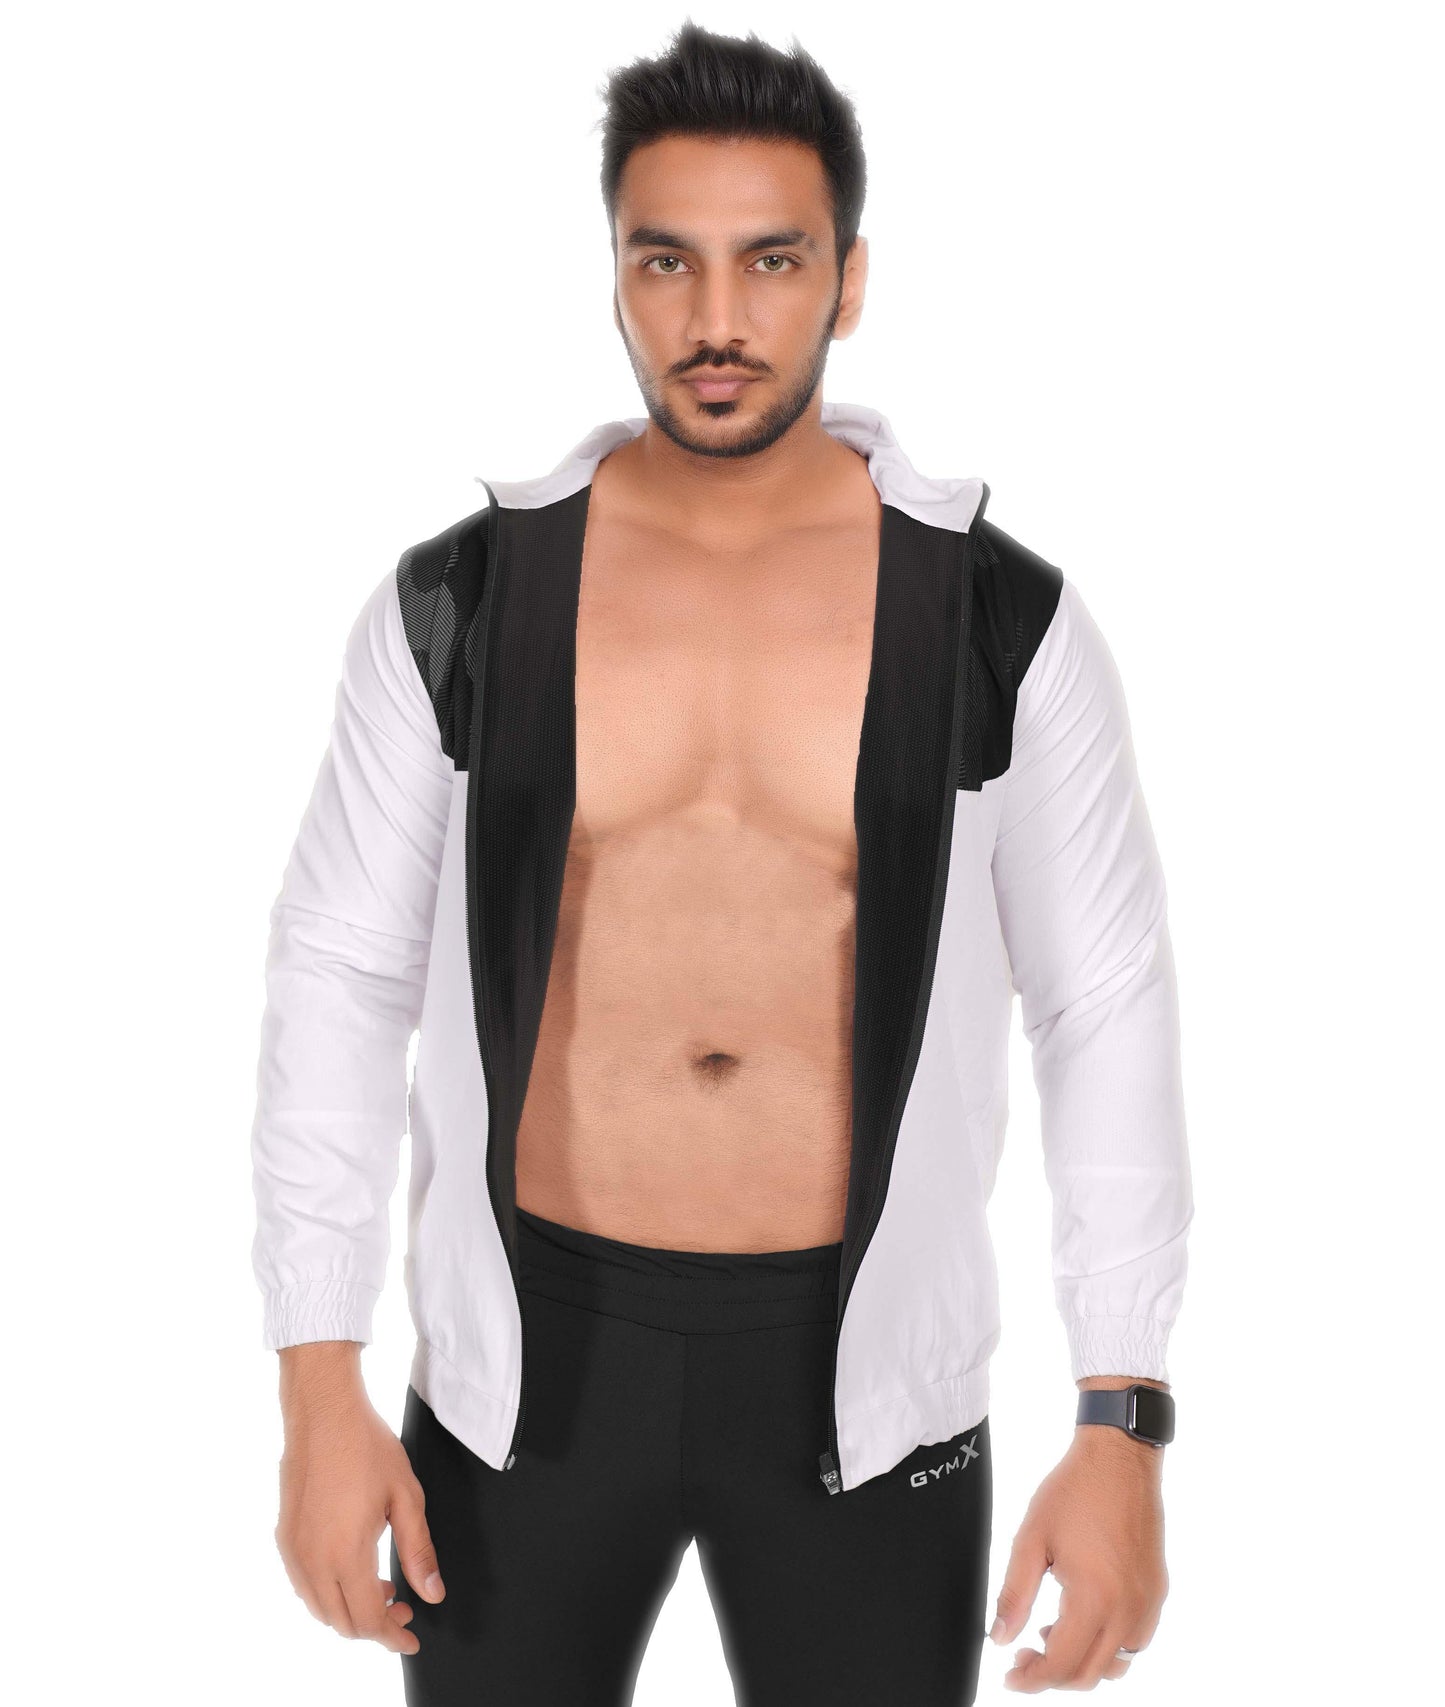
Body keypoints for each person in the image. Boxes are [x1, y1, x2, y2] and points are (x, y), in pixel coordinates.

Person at [250, 20, 1192, 1705]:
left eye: (771, 260)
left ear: (847, 280)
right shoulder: (466, 602)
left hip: (866, 1386)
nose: (715, 319)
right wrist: (318, 1383)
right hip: (525, 1372)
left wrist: (1119, 1420)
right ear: (615, 276)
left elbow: (1100, 1009)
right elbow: (339, 974)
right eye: (664, 260)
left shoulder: (995, 622)